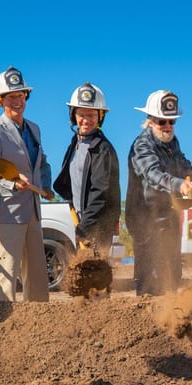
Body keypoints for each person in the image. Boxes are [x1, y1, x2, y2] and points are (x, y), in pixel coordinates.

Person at [0, 66, 53, 303]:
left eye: (21, 96)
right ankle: (5, 325)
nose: (18, 101)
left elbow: (42, 164)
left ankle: (39, 324)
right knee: (6, 273)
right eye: (12, 96)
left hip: (32, 210)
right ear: (1, 101)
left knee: (37, 275)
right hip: (6, 212)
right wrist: (12, 182)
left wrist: (47, 185)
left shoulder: (34, 129)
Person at [125, 90, 192, 296]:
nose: (168, 126)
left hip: (168, 217)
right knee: (149, 277)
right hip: (146, 220)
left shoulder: (172, 142)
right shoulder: (142, 145)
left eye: (171, 122)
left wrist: (188, 172)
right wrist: (179, 184)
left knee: (172, 273)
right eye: (162, 121)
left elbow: (182, 162)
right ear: (150, 121)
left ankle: (171, 317)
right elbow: (153, 175)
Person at [53, 83, 120, 258]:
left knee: (95, 274)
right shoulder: (75, 143)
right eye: (81, 115)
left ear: (100, 117)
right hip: (82, 222)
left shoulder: (102, 149)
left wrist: (84, 227)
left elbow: (101, 193)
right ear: (73, 115)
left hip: (97, 226)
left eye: (91, 115)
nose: (86, 120)